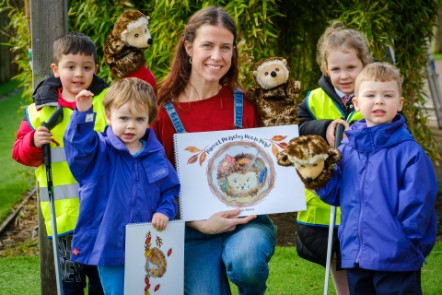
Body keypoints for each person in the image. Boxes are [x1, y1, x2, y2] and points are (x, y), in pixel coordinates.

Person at [152, 6, 276, 295]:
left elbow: (277, 154)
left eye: (225, 47)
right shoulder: (162, 110)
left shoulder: (246, 104)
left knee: (247, 261)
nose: (217, 56)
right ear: (188, 47)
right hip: (193, 230)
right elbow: (153, 183)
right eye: (207, 45)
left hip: (248, 224)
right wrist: (199, 223)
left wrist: (322, 129)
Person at [317, 61, 438, 294]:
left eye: (388, 95)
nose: (379, 100)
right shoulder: (347, 148)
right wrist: (318, 177)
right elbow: (335, 194)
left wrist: (408, 243)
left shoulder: (409, 152)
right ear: (357, 103)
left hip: (396, 256)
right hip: (355, 254)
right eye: (370, 95)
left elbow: (419, 204)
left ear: (400, 103)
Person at [63, 78, 180, 295]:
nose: (130, 125)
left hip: (148, 246)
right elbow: (78, 149)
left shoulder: (156, 154)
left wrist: (165, 211)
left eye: (139, 119)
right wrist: (83, 114)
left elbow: (170, 190)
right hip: (109, 245)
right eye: (123, 117)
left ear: (149, 120)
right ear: (108, 115)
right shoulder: (99, 152)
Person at [12, 31, 106, 295]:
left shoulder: (107, 103)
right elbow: (19, 153)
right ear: (56, 69)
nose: (79, 74)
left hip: (101, 215)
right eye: (71, 67)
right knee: (72, 285)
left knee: (103, 284)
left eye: (86, 67)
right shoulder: (39, 111)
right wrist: (33, 141)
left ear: (95, 69)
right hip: (64, 220)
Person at [296, 21, 372, 295]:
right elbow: (297, 128)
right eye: (336, 68)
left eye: (351, 67)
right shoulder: (313, 100)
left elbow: (395, 123)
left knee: (363, 259)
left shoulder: (375, 95)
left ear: (364, 64)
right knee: (336, 257)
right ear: (325, 68)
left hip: (365, 198)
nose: (343, 75)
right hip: (322, 204)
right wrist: (323, 127)